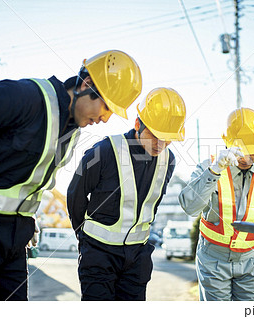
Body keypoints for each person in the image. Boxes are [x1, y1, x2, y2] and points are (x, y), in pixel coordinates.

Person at [0, 50, 142, 301]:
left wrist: (25, 215)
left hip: (14, 242)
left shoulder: (72, 128)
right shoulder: (24, 97)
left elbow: (26, 177)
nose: (105, 118)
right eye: (106, 106)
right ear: (86, 85)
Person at [67, 87, 186, 300]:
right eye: (155, 136)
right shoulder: (103, 151)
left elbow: (153, 204)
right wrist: (82, 237)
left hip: (137, 258)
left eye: (168, 139)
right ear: (138, 124)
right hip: (98, 254)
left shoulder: (169, 161)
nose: (161, 144)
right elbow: (75, 193)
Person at [179, 107, 254, 301]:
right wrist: (214, 171)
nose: (247, 158)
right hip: (213, 260)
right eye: (243, 151)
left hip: (252, 261)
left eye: (253, 152)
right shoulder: (209, 167)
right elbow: (189, 207)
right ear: (227, 142)